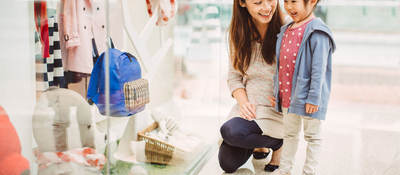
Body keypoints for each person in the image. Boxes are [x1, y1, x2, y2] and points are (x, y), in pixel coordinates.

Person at [218, 0, 287, 173]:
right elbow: (234, 77)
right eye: (257, 2)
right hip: (250, 108)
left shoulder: (288, 29)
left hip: (275, 111)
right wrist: (243, 103)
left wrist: (286, 96)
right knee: (227, 163)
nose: (266, 7)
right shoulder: (238, 32)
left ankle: (278, 143)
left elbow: (302, 76)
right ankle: (260, 144)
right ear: (242, 3)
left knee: (231, 132)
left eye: (270, 0)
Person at [269, 0, 336, 174]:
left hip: (308, 98)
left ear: (312, 1)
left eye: (293, 1)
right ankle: (285, 169)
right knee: (290, 135)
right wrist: (277, 91)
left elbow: (318, 69)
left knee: (313, 137)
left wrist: (314, 97)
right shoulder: (287, 30)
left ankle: (309, 171)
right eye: (285, 1)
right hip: (288, 96)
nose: (289, 6)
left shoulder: (317, 32)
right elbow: (280, 66)